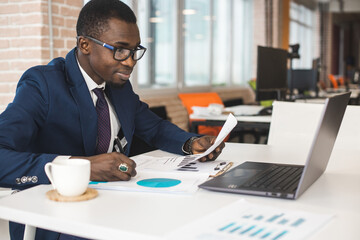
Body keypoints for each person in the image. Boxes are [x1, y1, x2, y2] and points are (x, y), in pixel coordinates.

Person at [0, 0, 225, 239]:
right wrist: (83, 167)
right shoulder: (43, 85)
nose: (129, 61)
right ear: (84, 44)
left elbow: (154, 127)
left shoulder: (118, 87)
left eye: (134, 50)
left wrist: (191, 143)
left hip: (112, 205)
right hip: (56, 218)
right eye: (119, 49)